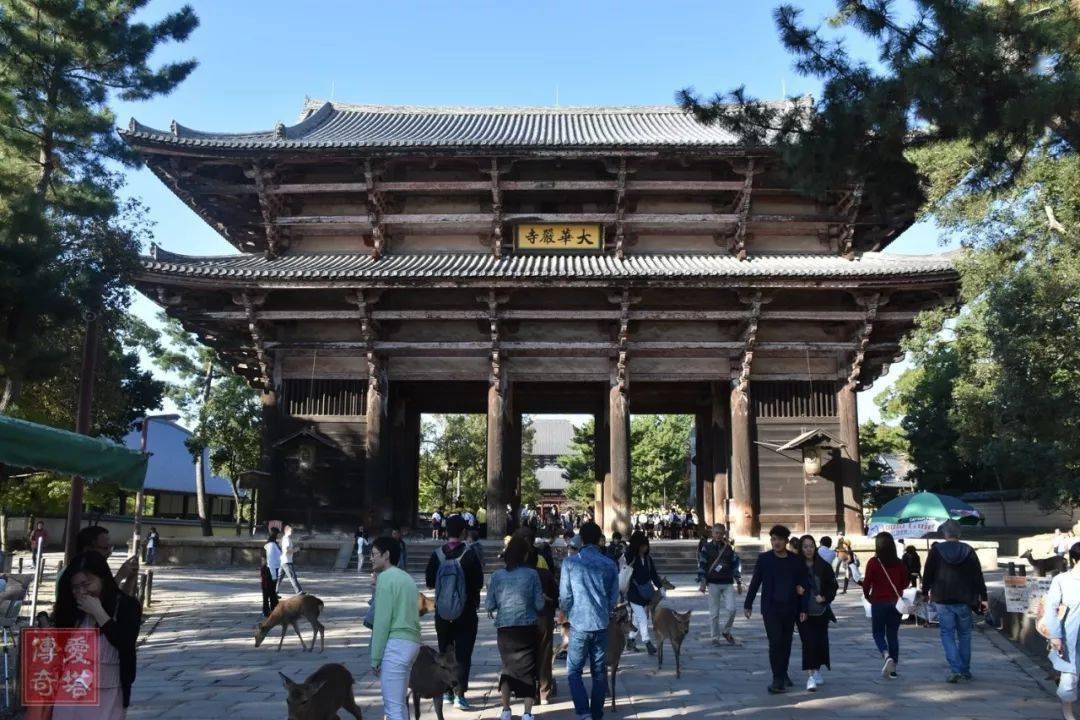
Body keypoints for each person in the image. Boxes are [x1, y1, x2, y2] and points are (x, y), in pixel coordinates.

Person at [52, 552, 142, 718]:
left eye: (86, 584)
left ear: (102, 579)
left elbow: (125, 642)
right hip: (70, 692)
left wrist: (99, 613)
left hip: (108, 692)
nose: (81, 592)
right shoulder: (71, 610)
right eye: (75, 587)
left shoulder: (126, 606)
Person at [559, 521, 618, 720]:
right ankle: (597, 712)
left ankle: (583, 711)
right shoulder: (609, 564)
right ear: (599, 539)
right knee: (599, 671)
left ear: (581, 539)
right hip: (601, 622)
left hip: (579, 623)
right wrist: (607, 611)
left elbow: (565, 596)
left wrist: (565, 612)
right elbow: (613, 597)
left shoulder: (570, 563)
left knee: (574, 670)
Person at [425, 514, 484, 710]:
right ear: (463, 531)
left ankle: (447, 692)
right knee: (463, 654)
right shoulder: (470, 554)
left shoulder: (437, 554)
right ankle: (460, 695)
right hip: (465, 612)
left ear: (445, 531)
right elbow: (478, 583)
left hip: (442, 612)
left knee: (445, 652)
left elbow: (430, 582)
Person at [743, 525, 809, 694]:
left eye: (779, 539)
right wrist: (748, 603)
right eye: (773, 539)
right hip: (770, 608)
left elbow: (803, 585)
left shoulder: (795, 560)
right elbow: (755, 582)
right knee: (775, 642)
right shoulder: (764, 559)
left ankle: (783, 673)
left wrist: (803, 608)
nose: (776, 542)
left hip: (790, 607)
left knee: (786, 643)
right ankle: (777, 678)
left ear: (786, 541)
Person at [921, 519, 989, 683]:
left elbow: (928, 573)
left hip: (942, 598)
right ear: (959, 533)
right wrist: (984, 598)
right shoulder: (968, 550)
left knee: (947, 634)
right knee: (965, 634)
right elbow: (978, 576)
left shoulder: (936, 550)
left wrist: (924, 591)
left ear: (944, 534)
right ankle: (965, 669)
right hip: (965, 598)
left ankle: (955, 669)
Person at [486, 535, 545, 720]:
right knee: (528, 670)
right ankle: (527, 713)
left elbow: (489, 605)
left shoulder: (497, 576)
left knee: (508, 668)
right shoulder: (532, 575)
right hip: (526, 627)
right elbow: (539, 604)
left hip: (505, 629)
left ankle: (505, 710)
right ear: (525, 555)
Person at [370, 536, 422, 720]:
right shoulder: (406, 578)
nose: (371, 558)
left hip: (397, 645)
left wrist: (375, 657)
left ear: (386, 555)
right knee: (399, 705)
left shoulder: (386, 578)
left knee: (393, 708)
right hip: (412, 642)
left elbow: (382, 621)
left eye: (375, 554)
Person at [863, 531, 909, 679]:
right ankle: (893, 668)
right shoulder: (899, 563)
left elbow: (867, 583)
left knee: (877, 633)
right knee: (893, 635)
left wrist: (867, 596)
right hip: (895, 603)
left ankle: (886, 654)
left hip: (878, 601)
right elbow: (905, 582)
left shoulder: (873, 563)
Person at [796, 535, 838, 691]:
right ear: (801, 548)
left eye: (811, 546)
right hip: (803, 612)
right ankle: (810, 676)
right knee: (808, 643)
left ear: (816, 547)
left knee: (820, 643)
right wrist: (796, 590)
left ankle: (817, 669)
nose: (808, 549)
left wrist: (825, 597)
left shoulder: (823, 566)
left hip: (820, 612)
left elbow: (833, 586)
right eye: (805, 546)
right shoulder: (796, 566)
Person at [1044, 542, 1080, 720]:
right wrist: (1055, 635)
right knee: (1069, 677)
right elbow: (1051, 608)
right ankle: (1069, 714)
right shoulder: (1061, 580)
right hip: (1070, 635)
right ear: (1074, 560)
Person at [697, 523, 743, 646]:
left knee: (732, 609)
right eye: (716, 533)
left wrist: (738, 581)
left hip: (727, 582)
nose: (718, 535)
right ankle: (715, 637)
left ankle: (726, 631)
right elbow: (702, 565)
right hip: (713, 583)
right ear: (712, 533)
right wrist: (702, 581)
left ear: (724, 534)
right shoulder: (706, 548)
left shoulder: (728, 548)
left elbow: (735, 565)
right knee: (714, 613)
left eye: (721, 533)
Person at [624, 531, 668, 655]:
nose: (645, 548)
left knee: (637, 619)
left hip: (645, 593)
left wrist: (660, 587)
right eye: (642, 545)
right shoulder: (630, 558)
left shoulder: (648, 559)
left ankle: (631, 640)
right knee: (643, 618)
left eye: (646, 545)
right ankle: (647, 642)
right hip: (633, 593)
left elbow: (653, 575)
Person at [276, 524, 304, 594]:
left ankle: (274, 590)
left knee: (279, 578)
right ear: (286, 531)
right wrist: (296, 550)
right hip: (287, 561)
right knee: (292, 576)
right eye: (290, 530)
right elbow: (286, 551)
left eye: (292, 530)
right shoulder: (286, 539)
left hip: (283, 560)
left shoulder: (285, 539)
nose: (292, 532)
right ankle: (299, 591)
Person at [261, 528, 282, 616]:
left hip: (270, 569)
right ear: (276, 535)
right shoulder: (271, 545)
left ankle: (274, 608)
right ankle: (267, 610)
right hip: (268, 570)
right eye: (280, 534)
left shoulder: (273, 544)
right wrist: (273, 575)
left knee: (271, 591)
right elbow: (271, 561)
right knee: (268, 591)